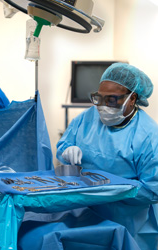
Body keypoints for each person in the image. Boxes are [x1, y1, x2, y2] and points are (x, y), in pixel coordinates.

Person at [56, 62, 158, 250]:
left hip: (128, 221)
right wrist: (67, 150)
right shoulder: (88, 117)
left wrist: (115, 189)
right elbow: (64, 145)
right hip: (84, 212)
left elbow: (153, 189)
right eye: (98, 98)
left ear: (132, 98)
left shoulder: (149, 135)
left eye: (112, 100)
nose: (102, 107)